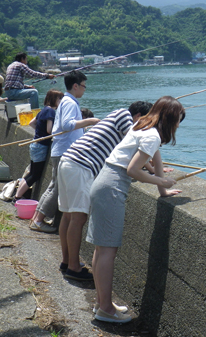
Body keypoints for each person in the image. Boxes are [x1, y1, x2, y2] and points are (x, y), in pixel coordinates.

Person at [87, 96, 185, 323]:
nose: (179, 125)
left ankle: (104, 305)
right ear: (170, 118)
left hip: (104, 182)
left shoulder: (143, 126)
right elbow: (133, 170)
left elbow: (155, 158)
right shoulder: (152, 135)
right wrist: (163, 183)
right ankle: (105, 310)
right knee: (108, 252)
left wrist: (162, 191)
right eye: (178, 120)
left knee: (101, 250)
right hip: (112, 188)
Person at [57, 101, 153, 281]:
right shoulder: (125, 116)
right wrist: (153, 168)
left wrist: (149, 165)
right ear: (139, 116)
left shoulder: (116, 115)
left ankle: (66, 261)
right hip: (81, 165)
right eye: (147, 121)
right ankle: (73, 267)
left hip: (69, 160)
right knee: (78, 217)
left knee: (68, 216)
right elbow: (135, 146)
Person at [32, 71, 99, 233]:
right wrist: (90, 121)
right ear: (75, 86)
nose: (84, 89)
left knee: (54, 186)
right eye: (83, 86)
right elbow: (67, 125)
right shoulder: (70, 102)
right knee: (57, 188)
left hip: (60, 150)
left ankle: (36, 218)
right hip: (64, 152)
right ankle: (38, 221)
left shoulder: (66, 101)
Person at [14, 89, 64, 201]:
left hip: (35, 144)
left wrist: (39, 132)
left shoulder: (44, 110)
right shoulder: (51, 112)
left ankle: (17, 195)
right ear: (55, 99)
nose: (62, 101)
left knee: (31, 172)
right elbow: (49, 130)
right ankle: (17, 197)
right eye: (60, 98)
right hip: (41, 147)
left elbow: (31, 123)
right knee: (35, 175)